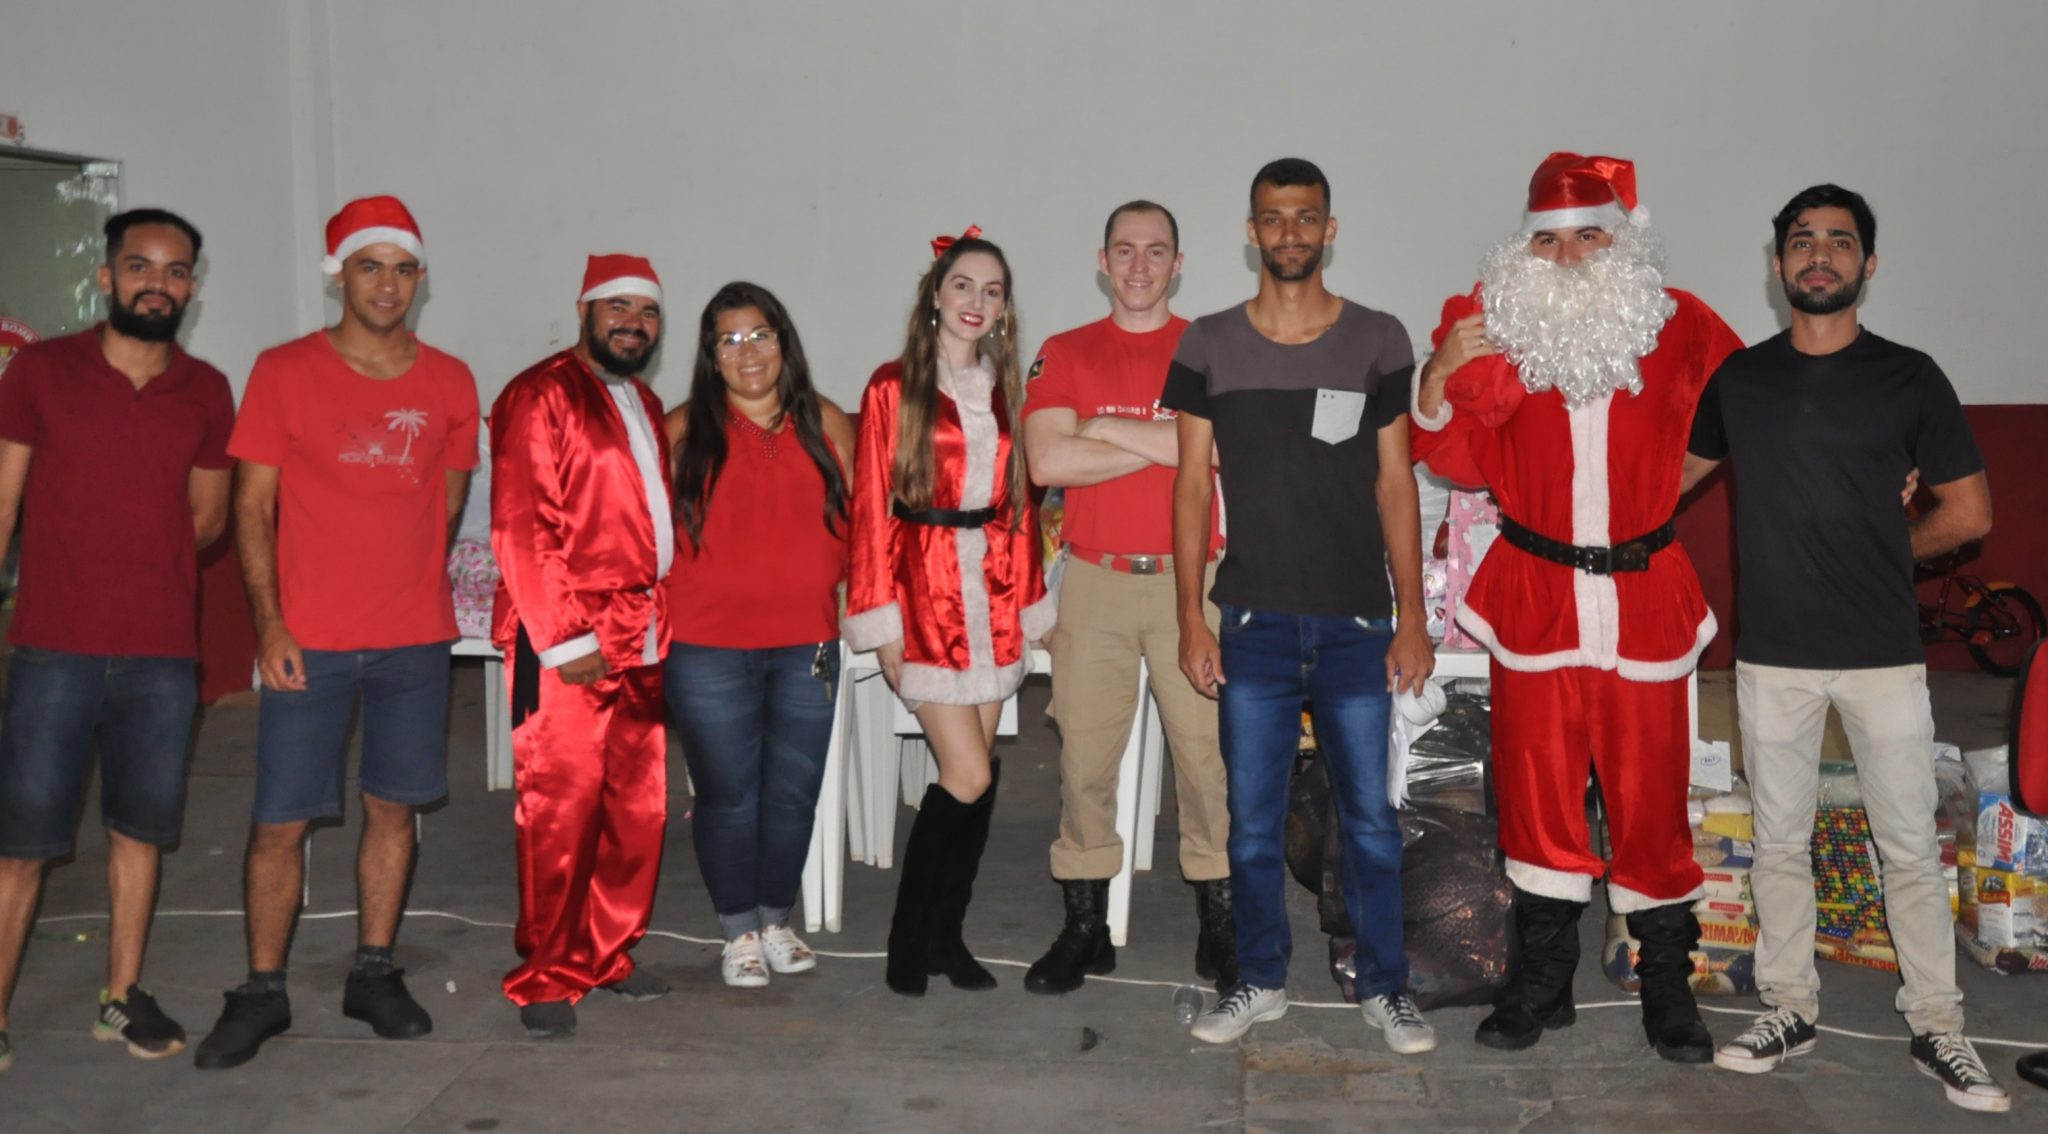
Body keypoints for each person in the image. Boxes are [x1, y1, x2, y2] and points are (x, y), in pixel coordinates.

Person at [1411, 153, 1741, 1063]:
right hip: (1537, 596)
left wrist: (1668, 489)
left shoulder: (1683, 323)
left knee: (1651, 800)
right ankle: (1543, 981)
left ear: (1621, 240)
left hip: (1643, 598)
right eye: (1548, 241)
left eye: (1588, 236)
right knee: (1537, 795)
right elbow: (1450, 456)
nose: (1566, 258)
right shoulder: (1495, 325)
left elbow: (1753, 410)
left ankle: (1667, 986)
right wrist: (1437, 374)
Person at [1685, 185, 2007, 1112]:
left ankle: (1937, 1025)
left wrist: (1886, 548)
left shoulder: (1910, 378)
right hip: (1773, 654)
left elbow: (1970, 513)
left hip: (1881, 653)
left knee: (1906, 845)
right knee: (1779, 842)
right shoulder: (1740, 381)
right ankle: (1789, 1007)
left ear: (1868, 263)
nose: (1818, 254)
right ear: (1777, 263)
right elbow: (1661, 486)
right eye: (1801, 241)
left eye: (1838, 240)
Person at [198, 196, 480, 1069]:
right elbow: (252, 509)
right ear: (339, 277)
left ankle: (374, 973)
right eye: (369, 266)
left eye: (403, 268)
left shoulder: (451, 381)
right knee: (280, 820)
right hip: (307, 640)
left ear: (420, 278)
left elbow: (447, 504)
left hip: (413, 639)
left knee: (394, 809)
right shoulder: (283, 371)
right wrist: (271, 625)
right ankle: (262, 990)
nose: (387, 284)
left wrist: (401, 587)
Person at [1165, 159, 1436, 1052]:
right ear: (1252, 232)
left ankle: (1386, 987)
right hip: (1253, 623)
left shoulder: (1378, 338)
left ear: (1330, 229)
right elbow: (1191, 489)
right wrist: (1191, 617)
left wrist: (1412, 618)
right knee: (1250, 824)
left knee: (1371, 822)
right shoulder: (1208, 342)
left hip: (1357, 624)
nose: (1290, 233)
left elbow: (1396, 484)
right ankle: (1259, 980)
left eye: (1306, 217)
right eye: (1274, 218)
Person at [0, 209, 235, 1072]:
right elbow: (2, 503)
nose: (156, 284)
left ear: (192, 288)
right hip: (52, 650)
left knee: (139, 834)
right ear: (106, 278)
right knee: (21, 846)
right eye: (140, 267)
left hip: (161, 657)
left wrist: (139, 559)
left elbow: (208, 520)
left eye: (175, 272)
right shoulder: (41, 371)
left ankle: (120, 996)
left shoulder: (207, 390)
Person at [1020, 201, 1234, 995]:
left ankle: (1222, 924)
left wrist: (1105, 427)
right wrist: (1179, 448)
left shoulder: (1213, 348)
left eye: (1156, 251)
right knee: (1084, 760)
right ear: (1101, 260)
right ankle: (1086, 927)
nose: (1139, 266)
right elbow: (1048, 462)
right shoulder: (1065, 350)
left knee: (1208, 762)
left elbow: (1232, 452)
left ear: (1179, 263)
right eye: (1125, 250)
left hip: (1196, 581)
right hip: (1096, 580)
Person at [843, 228, 1054, 997]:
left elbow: (1019, 508)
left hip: (992, 598)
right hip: (922, 592)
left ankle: (945, 937)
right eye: (964, 285)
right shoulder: (891, 386)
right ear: (936, 294)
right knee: (965, 773)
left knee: (977, 776)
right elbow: (871, 505)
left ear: (1004, 310)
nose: (976, 301)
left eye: (992, 291)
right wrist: (880, 619)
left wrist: (1030, 607)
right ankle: (907, 937)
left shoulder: (1005, 390)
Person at [492, 254, 675, 1038]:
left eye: (648, 310)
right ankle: (546, 972)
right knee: (559, 811)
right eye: (618, 307)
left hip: (644, 630)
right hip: (567, 635)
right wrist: (565, 639)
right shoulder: (539, 394)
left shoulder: (643, 400)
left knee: (635, 808)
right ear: (584, 311)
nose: (633, 322)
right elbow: (521, 524)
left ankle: (604, 953)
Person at [663, 282, 855, 988]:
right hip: (705, 647)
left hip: (807, 643)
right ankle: (738, 930)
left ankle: (776, 919)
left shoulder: (826, 421)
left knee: (793, 794)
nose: (748, 352)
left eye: (761, 335)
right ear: (711, 355)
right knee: (727, 795)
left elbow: (865, 525)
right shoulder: (680, 430)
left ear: (784, 343)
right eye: (730, 340)